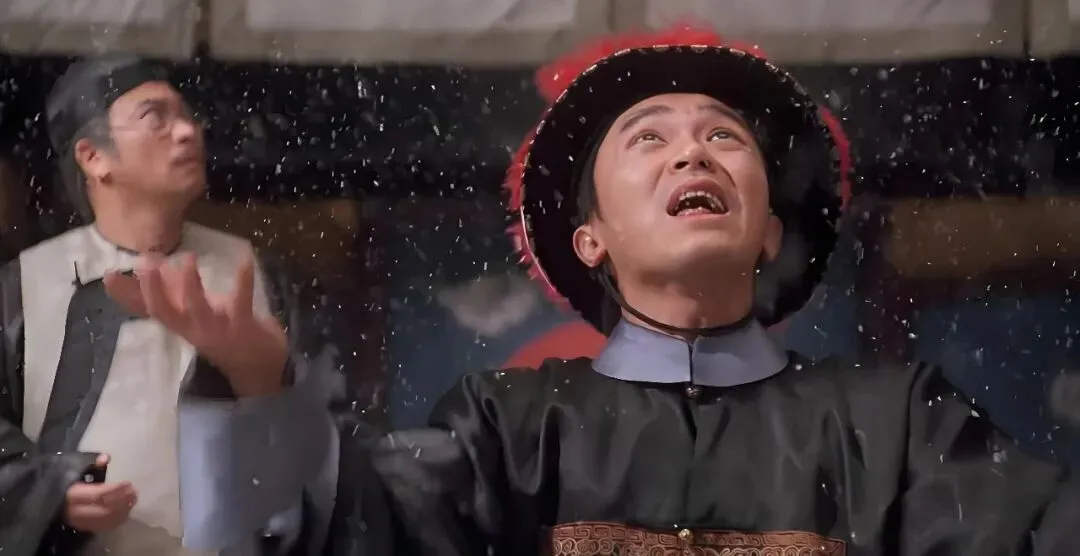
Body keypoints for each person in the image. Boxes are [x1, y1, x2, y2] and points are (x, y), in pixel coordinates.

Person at [355, 25, 1080, 554]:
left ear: (770, 231)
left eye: (725, 137)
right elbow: (355, 522)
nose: (693, 153)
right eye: (648, 137)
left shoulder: (898, 426)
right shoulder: (503, 430)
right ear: (590, 238)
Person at [0, 55, 340, 556]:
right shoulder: (26, 286)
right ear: (93, 157)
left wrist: (267, 380)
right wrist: (48, 495)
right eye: (154, 117)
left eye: (186, 116)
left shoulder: (256, 275)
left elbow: (334, 443)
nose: (187, 132)